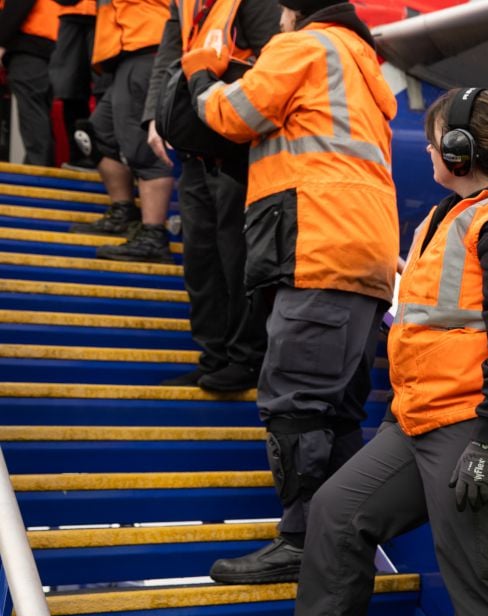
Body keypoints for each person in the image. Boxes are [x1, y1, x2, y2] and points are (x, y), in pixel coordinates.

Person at [288, 83, 488, 616]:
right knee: (337, 513)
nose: (426, 151)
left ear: (461, 148)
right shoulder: (450, 218)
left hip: (480, 427)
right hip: (420, 421)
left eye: (433, 141)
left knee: (479, 579)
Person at [181, 0, 398, 583]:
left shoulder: (304, 46)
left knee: (295, 403)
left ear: (296, 12)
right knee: (340, 410)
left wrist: (202, 71)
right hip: (360, 255)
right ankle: (345, 538)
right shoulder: (359, 64)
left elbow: (232, 115)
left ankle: (303, 540)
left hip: (316, 248)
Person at [143, 0, 277, 389]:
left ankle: (246, 357)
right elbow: (171, 54)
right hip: (196, 135)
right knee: (201, 255)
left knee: (236, 253)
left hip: (238, 143)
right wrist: (156, 115)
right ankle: (215, 355)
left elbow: (273, 62)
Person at [69, 0, 174, 265]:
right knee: (97, 133)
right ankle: (123, 212)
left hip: (146, 44)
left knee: (143, 145)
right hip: (124, 51)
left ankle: (153, 234)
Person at [0, 0, 60, 166]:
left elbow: (18, 4)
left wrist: (1, 40)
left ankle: (39, 170)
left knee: (33, 113)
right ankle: (39, 167)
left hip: (31, 46)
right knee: (39, 113)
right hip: (49, 46)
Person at [49, 0, 105, 171]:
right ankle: (80, 155)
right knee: (68, 88)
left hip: (109, 15)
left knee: (106, 87)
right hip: (70, 13)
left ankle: (109, 154)